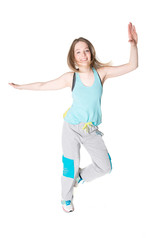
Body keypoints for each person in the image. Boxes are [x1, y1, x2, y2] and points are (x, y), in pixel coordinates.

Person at [9, 22, 138, 213]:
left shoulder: (101, 74)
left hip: (91, 130)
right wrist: (21, 87)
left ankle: (79, 178)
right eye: (78, 52)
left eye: (86, 50)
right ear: (73, 57)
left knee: (105, 167)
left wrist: (133, 44)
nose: (83, 54)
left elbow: (132, 65)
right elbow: (44, 85)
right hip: (70, 128)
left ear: (91, 53)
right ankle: (66, 198)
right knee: (70, 165)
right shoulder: (71, 77)